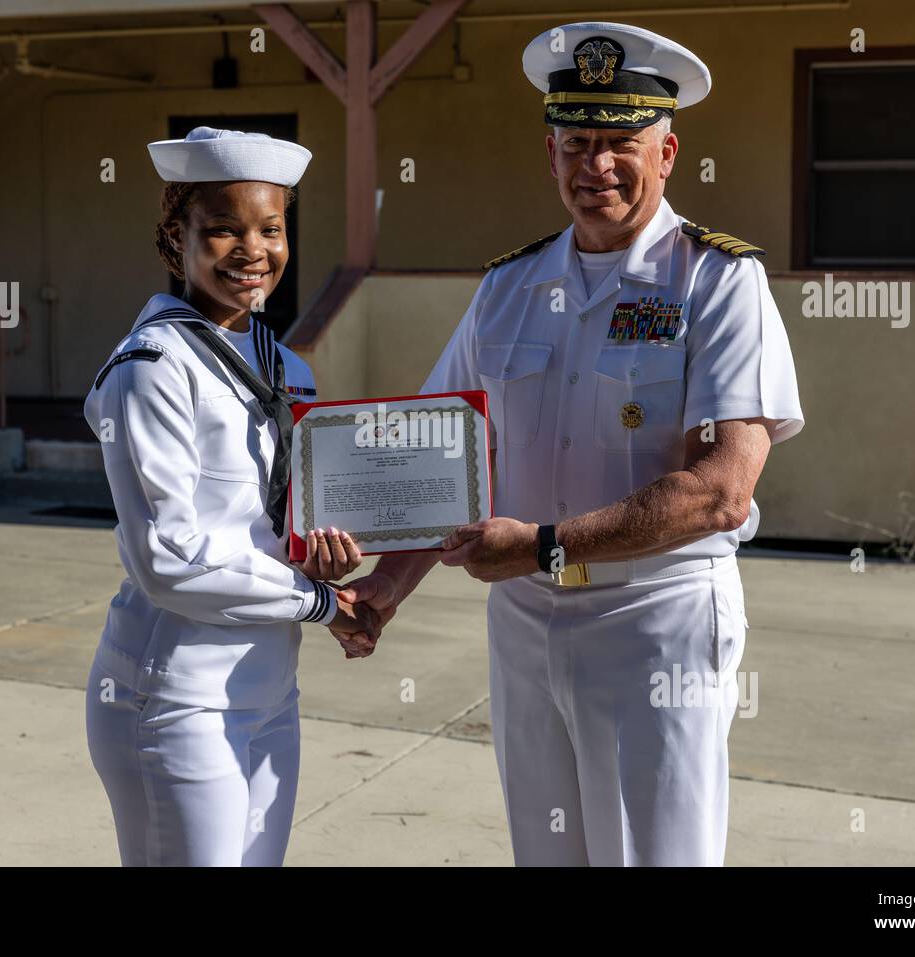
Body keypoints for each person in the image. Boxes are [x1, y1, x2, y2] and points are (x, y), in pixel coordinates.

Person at [336, 23, 805, 866]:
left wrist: (545, 546)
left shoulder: (717, 281)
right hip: (522, 620)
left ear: (667, 153)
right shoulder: (509, 287)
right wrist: (389, 585)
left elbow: (720, 491)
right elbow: (446, 450)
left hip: (653, 619)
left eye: (621, 142)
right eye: (577, 142)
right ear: (549, 152)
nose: (597, 166)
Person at [84, 126, 383, 867]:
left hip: (269, 688)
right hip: (177, 694)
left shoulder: (288, 369)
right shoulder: (153, 368)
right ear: (174, 236)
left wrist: (325, 556)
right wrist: (316, 603)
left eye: (271, 229)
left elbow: (270, 533)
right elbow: (169, 560)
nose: (253, 250)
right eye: (222, 229)